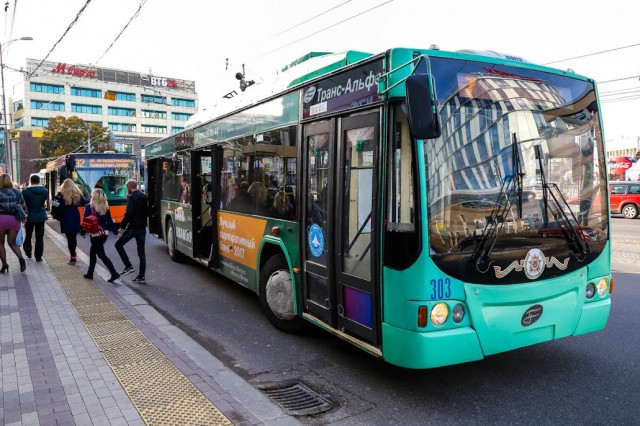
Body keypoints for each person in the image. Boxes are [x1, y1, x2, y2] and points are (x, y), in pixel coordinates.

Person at [82, 188, 121, 283]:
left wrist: (83, 232)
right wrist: (116, 232)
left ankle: (114, 273)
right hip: (104, 233)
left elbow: (86, 221)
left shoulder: (89, 207)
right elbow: (110, 222)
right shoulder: (105, 207)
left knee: (101, 255)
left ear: (93, 196)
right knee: (93, 253)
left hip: (95, 234)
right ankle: (90, 273)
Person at [115, 179, 148, 284]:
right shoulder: (144, 197)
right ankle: (141, 276)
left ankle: (128, 266)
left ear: (129, 187)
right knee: (141, 253)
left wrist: (122, 227)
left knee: (118, 245)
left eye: (127, 187)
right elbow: (148, 212)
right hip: (142, 228)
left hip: (133, 228)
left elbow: (128, 214)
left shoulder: (131, 198)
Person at [0, 173, 28, 272]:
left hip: (1, 220)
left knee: (0, 243)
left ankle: (4, 264)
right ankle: (21, 260)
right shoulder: (17, 192)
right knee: (12, 243)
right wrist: (25, 216)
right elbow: (23, 207)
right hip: (13, 219)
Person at [58, 178, 88, 265]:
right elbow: (85, 202)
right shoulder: (77, 194)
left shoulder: (61, 194)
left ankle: (73, 256)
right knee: (73, 238)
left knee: (69, 239)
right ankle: (73, 256)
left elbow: (56, 206)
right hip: (75, 217)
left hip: (65, 218)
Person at [22, 174, 49, 262]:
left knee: (28, 235)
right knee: (39, 237)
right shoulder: (45, 191)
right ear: (38, 181)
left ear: (30, 181)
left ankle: (28, 252)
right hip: (41, 216)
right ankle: (38, 257)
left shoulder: (25, 191)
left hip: (29, 216)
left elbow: (24, 204)